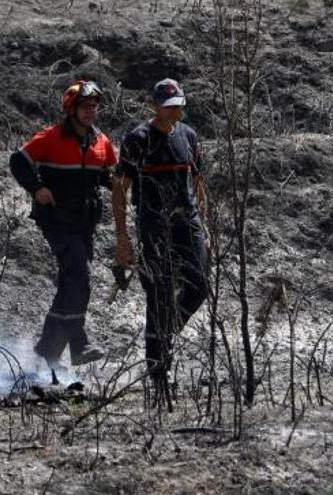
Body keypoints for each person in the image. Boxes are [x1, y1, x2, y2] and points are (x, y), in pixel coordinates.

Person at [9, 80, 117, 369]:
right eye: (85, 106)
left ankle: (49, 349)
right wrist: (36, 188)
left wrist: (118, 181)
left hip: (85, 224)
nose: (91, 111)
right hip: (57, 221)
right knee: (80, 278)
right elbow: (18, 161)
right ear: (71, 109)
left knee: (72, 284)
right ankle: (79, 344)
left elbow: (108, 175)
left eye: (94, 106)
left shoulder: (101, 141)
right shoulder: (51, 137)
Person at [112, 78, 209, 395]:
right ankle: (157, 374)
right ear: (155, 106)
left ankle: (167, 331)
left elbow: (197, 182)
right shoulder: (137, 139)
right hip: (153, 224)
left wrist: (204, 225)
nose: (175, 110)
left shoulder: (189, 136)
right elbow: (119, 189)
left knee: (198, 286)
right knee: (158, 293)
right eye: (168, 106)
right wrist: (123, 238)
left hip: (188, 221)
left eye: (178, 104)